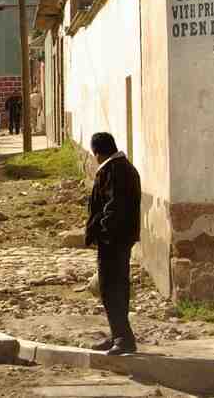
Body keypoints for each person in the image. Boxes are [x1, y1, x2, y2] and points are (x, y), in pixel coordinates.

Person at [84, 132, 142, 356]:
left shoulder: (115, 171)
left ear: (97, 152)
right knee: (111, 289)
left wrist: (102, 230)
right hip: (117, 238)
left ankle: (123, 339)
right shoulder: (120, 168)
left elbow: (114, 206)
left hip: (114, 240)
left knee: (113, 289)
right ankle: (117, 334)